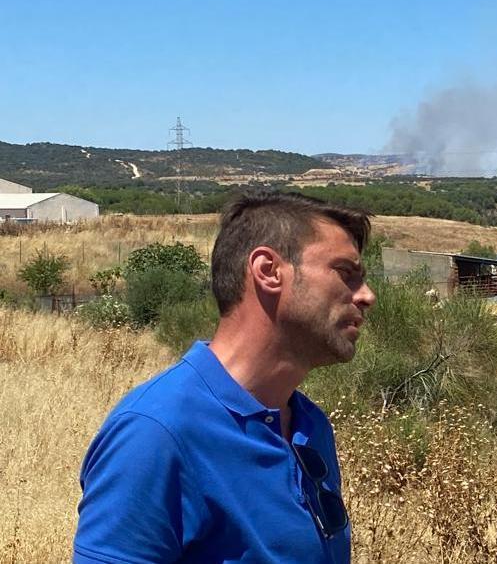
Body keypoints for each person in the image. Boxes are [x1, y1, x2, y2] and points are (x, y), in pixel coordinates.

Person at [74, 192, 376, 563]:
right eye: (346, 273)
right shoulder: (156, 433)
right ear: (268, 271)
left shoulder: (310, 426)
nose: (366, 296)